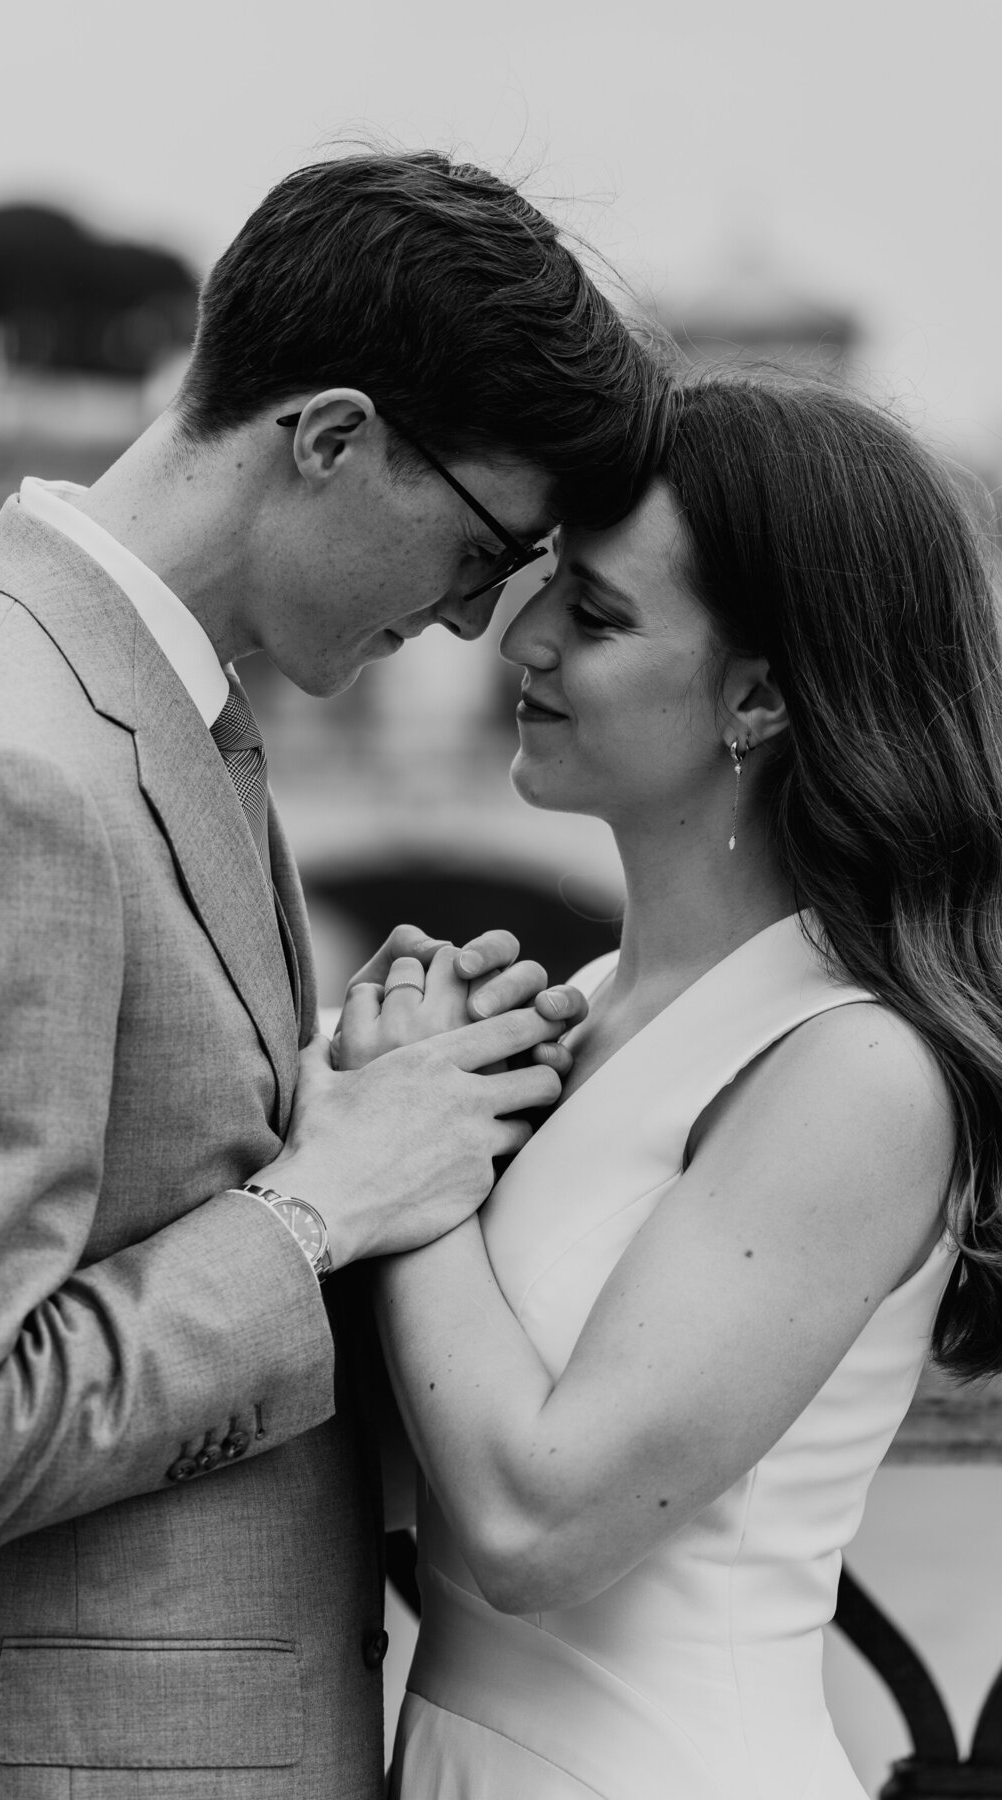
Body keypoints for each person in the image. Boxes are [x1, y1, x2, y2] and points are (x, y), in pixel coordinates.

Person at [0, 150, 671, 1798]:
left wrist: (350, 1087)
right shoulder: (4, 777)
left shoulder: (115, 699)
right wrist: (317, 1209)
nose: (483, 627)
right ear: (333, 437)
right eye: (490, 549)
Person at [333, 370, 1002, 1799]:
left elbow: (536, 1526)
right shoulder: (563, 1019)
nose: (523, 636)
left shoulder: (854, 1065)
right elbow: (414, 1468)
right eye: (550, 585)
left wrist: (407, 1156)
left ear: (759, 695)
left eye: (601, 610)